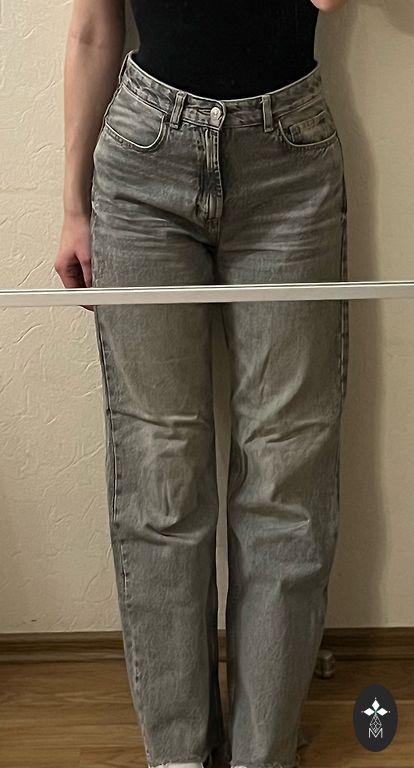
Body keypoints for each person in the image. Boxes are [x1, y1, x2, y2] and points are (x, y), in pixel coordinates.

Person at [55, 1, 349, 768]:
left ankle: (264, 753)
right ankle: (178, 755)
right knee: (161, 475)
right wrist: (72, 205)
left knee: (286, 473)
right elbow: (91, 30)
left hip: (288, 160)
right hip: (143, 159)